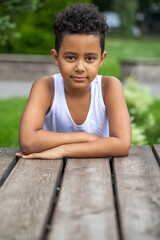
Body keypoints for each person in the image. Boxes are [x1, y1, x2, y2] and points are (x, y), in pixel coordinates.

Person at [16, 3, 131, 160]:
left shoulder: (109, 87)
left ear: (101, 59)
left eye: (90, 58)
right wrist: (86, 138)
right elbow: (28, 142)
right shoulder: (45, 87)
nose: (80, 67)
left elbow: (122, 145)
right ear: (56, 57)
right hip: (48, 174)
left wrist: (64, 150)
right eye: (71, 57)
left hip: (102, 174)